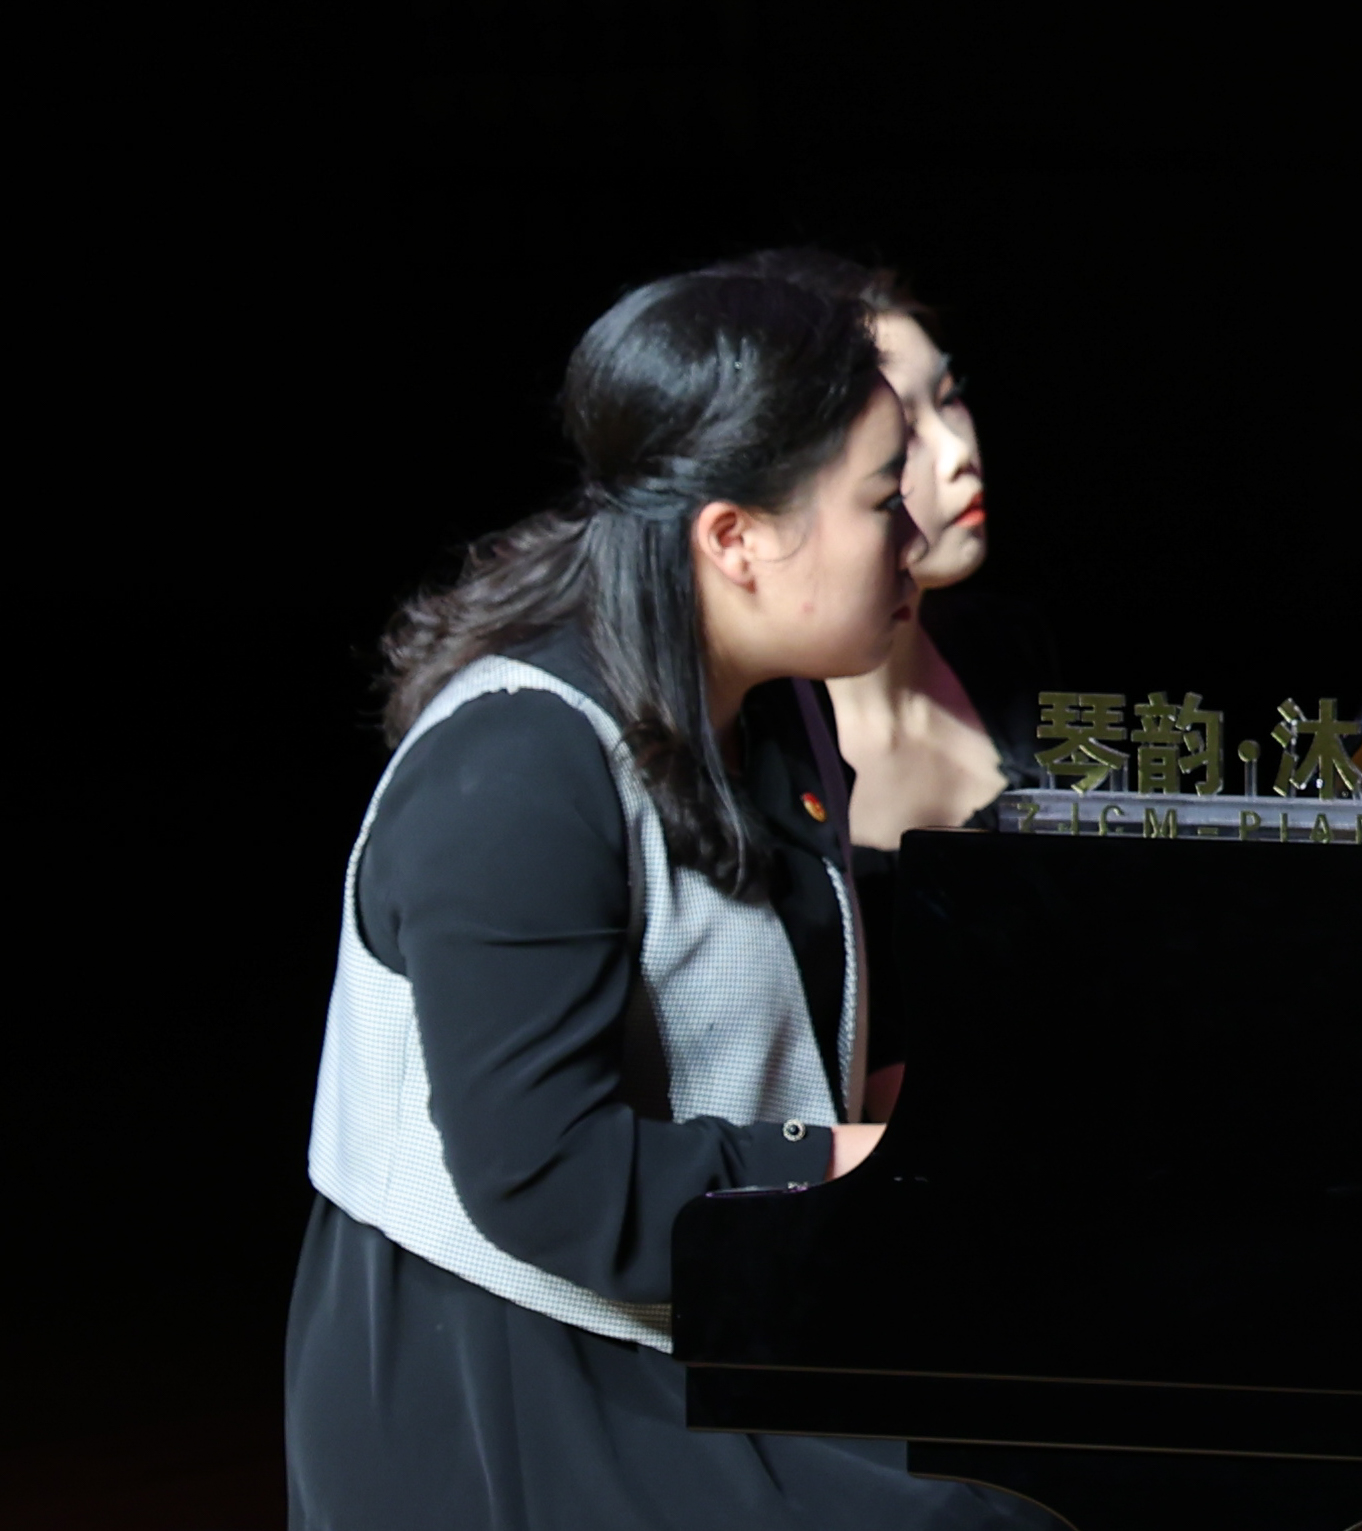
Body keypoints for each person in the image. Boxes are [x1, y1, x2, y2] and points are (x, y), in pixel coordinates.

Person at [286, 269, 1047, 1531]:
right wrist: (866, 1164)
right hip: (513, 1360)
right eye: (880, 502)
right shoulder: (516, 766)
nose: (914, 537)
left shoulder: (780, 706)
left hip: (706, 1300)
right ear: (734, 537)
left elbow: (800, 1025)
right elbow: (546, 1177)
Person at [710, 249, 1056, 1095]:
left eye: (952, 397)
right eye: (903, 436)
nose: (959, 453)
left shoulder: (1017, 651)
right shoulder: (752, 747)